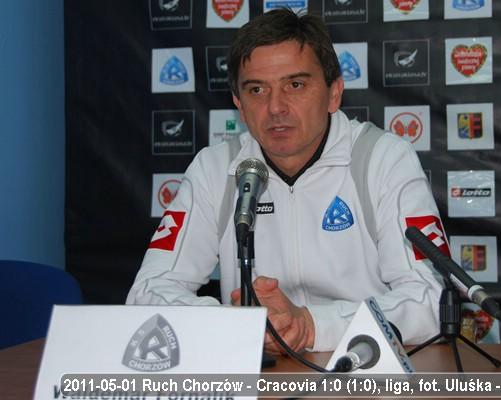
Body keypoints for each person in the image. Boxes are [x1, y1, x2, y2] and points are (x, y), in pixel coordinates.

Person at [127, 8, 444, 354]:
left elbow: (431, 297)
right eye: (257, 89)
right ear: (239, 104)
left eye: (295, 85)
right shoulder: (215, 169)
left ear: (334, 93)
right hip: (260, 371)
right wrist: (232, 323)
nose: (276, 107)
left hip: (361, 368)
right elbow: (148, 292)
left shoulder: (383, 159)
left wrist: (311, 325)